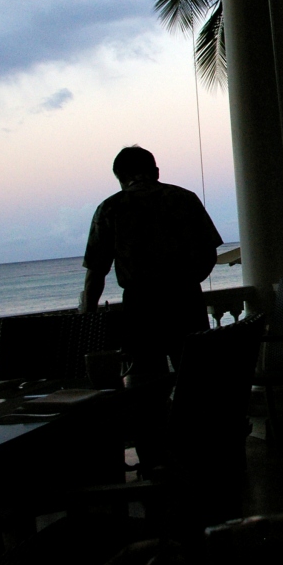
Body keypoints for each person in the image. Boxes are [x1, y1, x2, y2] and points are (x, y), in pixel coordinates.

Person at [81, 146, 222, 462]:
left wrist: (87, 313)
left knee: (145, 388)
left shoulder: (111, 208)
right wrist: (188, 280)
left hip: (141, 306)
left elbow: (96, 272)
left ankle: (152, 458)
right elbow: (209, 252)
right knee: (195, 382)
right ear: (155, 171)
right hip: (186, 300)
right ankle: (199, 454)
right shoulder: (183, 199)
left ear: (120, 177)